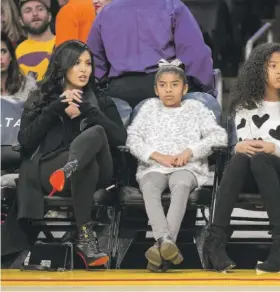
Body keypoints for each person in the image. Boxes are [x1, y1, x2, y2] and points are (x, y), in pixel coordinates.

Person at [16, 40, 126, 268]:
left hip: (92, 173)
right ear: (63, 66)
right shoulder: (41, 99)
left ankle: (70, 168)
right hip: (50, 169)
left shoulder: (101, 100)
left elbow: (121, 139)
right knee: (87, 166)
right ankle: (85, 238)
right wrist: (55, 107)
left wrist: (88, 110)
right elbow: (25, 142)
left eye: (88, 63)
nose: (84, 69)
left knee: (96, 132)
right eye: (77, 63)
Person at [204, 43, 280, 273]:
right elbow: (245, 145)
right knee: (243, 158)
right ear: (259, 70)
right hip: (253, 169)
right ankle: (215, 242)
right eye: (273, 66)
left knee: (260, 158)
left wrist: (269, 146)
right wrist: (243, 147)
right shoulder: (245, 105)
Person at [126, 59, 227, 272]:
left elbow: (219, 136)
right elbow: (132, 138)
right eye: (163, 85)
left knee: (181, 185)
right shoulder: (148, 108)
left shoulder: (196, 108)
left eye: (174, 85)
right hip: (153, 166)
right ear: (156, 89)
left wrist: (190, 151)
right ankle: (166, 242)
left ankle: (159, 245)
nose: (168, 90)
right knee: (150, 187)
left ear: (185, 88)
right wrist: (156, 156)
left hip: (187, 167)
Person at [87, 0, 215, 109]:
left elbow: (94, 62)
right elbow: (196, 58)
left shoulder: (106, 13)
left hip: (118, 93)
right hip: (164, 89)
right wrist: (206, 91)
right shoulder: (172, 6)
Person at [1, 32, 36, 175]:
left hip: (19, 147)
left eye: (3, 51)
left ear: (11, 55)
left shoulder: (27, 85)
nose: (0, 58)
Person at [16, 0, 55, 81]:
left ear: (50, 16)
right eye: (28, 11)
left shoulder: (64, 43)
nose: (35, 14)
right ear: (21, 21)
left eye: (40, 9)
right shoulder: (16, 51)